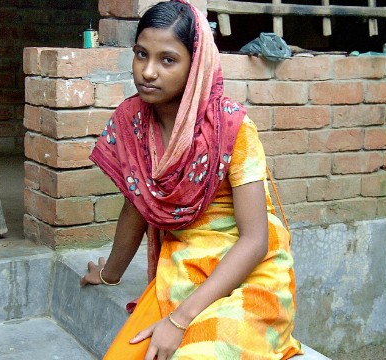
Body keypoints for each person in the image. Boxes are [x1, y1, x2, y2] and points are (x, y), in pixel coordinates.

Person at [79, 1, 303, 359]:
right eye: (141, 54)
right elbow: (137, 205)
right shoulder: (132, 121)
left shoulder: (232, 128)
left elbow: (255, 241)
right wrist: (108, 274)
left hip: (249, 273)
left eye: (167, 60)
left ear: (195, 64)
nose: (148, 71)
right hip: (184, 267)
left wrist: (179, 320)